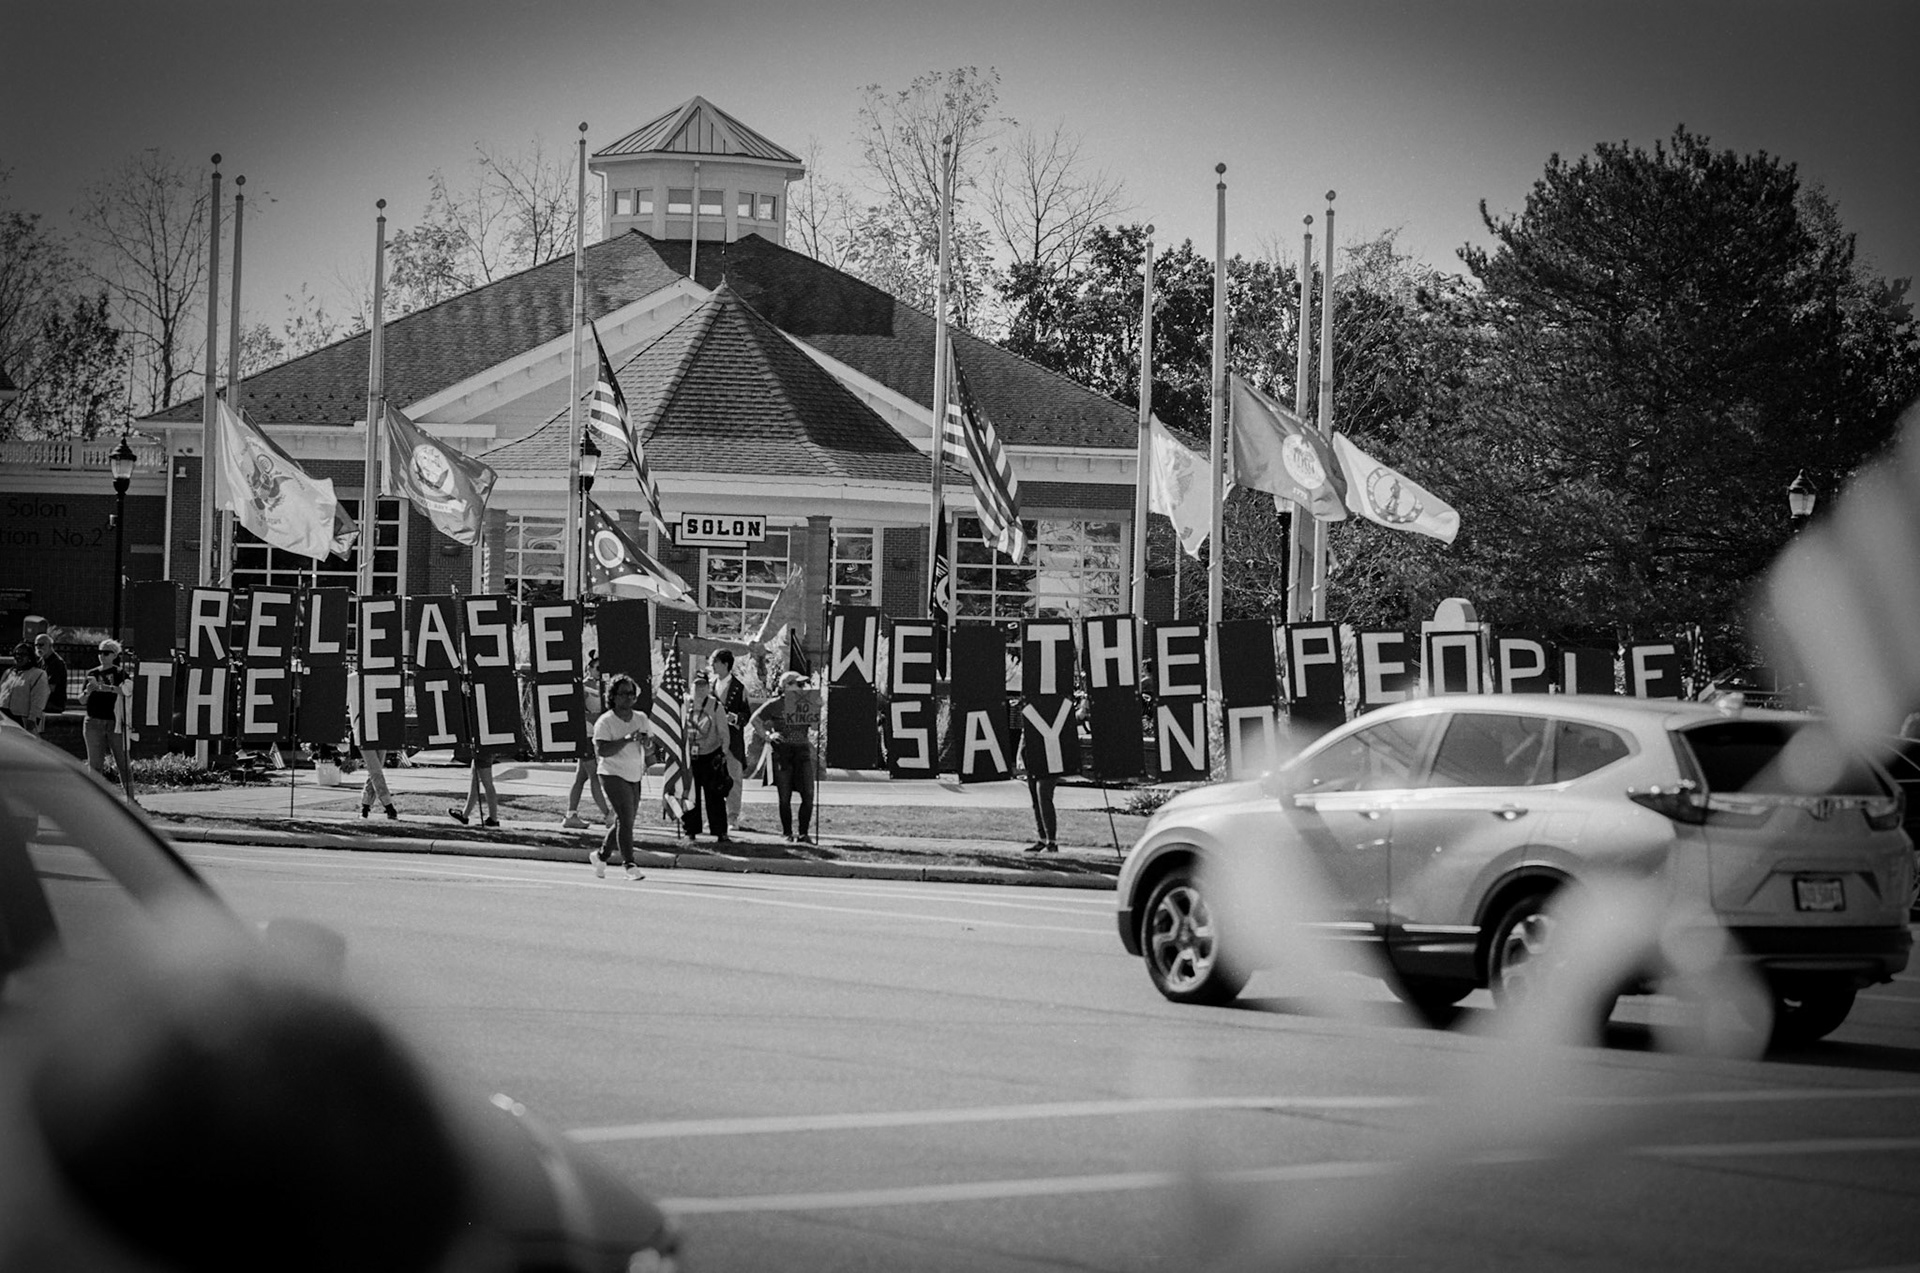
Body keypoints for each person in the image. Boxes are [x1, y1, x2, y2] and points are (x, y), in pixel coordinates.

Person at [747, 670, 818, 844]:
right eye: (797, 684)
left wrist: (816, 707)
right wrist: (768, 735)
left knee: (808, 794)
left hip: (802, 752)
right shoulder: (774, 704)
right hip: (782, 752)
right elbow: (755, 719)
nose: (801, 687)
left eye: (802, 685)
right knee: (784, 796)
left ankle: (803, 833)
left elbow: (815, 727)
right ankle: (787, 832)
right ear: (785, 687)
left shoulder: (805, 702)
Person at [589, 675, 648, 880]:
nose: (629, 698)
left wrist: (647, 743)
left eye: (632, 694)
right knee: (625, 817)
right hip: (612, 773)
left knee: (626, 820)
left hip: (634, 774)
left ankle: (601, 855)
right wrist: (626, 739)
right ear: (613, 696)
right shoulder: (605, 722)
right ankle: (630, 865)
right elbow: (603, 751)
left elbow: (650, 747)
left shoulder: (641, 718)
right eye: (623, 694)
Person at [80, 639, 138, 806]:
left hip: (114, 723)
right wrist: (88, 691)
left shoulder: (121, 674)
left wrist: (106, 687)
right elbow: (82, 701)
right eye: (100, 652)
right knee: (95, 764)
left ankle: (131, 800)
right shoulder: (92, 673)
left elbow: (127, 690)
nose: (102, 656)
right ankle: (94, 801)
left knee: (122, 762)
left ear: (115, 655)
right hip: (93, 722)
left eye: (106, 653)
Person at [680, 672, 732, 844]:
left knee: (714, 796)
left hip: (711, 755)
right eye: (697, 685)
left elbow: (724, 733)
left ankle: (720, 832)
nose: (700, 688)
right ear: (691, 686)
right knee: (691, 796)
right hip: (690, 756)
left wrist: (722, 754)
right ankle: (690, 831)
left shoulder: (716, 706)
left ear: (708, 687)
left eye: (703, 685)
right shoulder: (684, 703)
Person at [563, 653, 612, 829]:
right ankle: (608, 815)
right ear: (589, 668)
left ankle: (570, 815)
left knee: (580, 777)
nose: (600, 672)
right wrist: (595, 716)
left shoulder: (604, 687)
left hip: (595, 735)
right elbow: (576, 711)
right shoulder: (584, 687)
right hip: (586, 734)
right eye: (597, 668)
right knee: (594, 775)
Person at [347, 672, 399, 821]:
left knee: (375, 771)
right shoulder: (352, 679)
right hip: (363, 730)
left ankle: (365, 807)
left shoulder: (381, 675)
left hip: (380, 728)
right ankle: (389, 806)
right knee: (375, 770)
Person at [708, 649, 750, 826]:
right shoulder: (709, 686)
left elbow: (746, 714)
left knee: (733, 779)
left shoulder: (739, 688)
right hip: (711, 740)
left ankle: (732, 816)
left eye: (715, 662)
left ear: (725, 664)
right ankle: (716, 817)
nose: (712, 665)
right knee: (713, 780)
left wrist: (735, 718)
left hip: (732, 741)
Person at [1, 641, 50, 735]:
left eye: (23, 654)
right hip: (4, 717)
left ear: (30, 657)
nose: (18, 657)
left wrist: (32, 719)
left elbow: (39, 699)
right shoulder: (9, 673)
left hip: (22, 719)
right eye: (16, 654)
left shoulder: (38, 674)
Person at [34, 633, 67, 716]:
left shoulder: (57, 663)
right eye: (36, 645)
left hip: (54, 703)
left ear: (50, 645)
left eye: (41, 645)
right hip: (44, 702)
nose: (38, 647)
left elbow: (51, 688)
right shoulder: (41, 661)